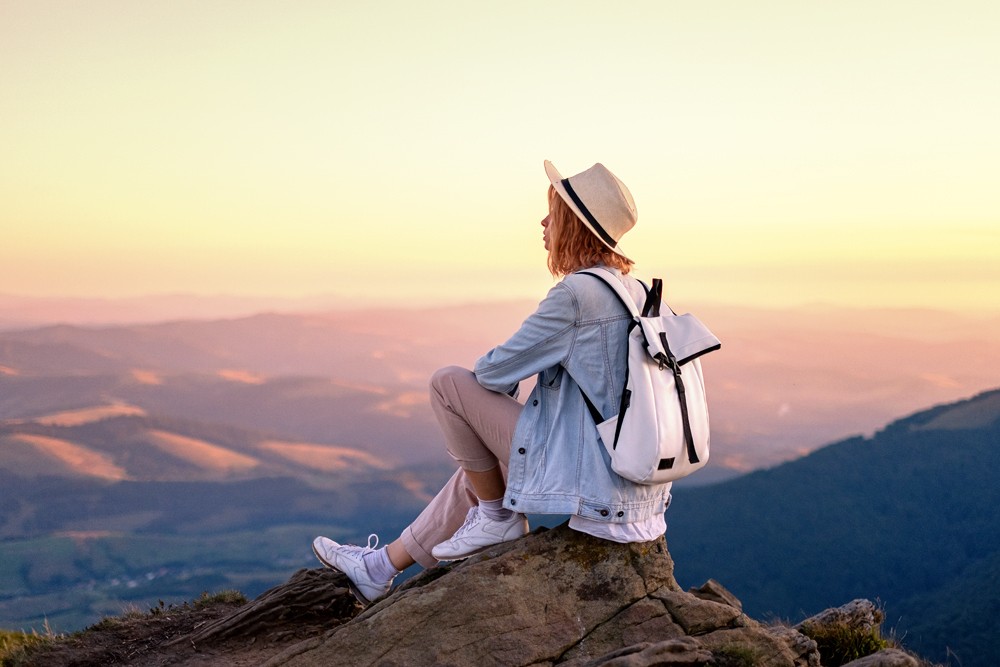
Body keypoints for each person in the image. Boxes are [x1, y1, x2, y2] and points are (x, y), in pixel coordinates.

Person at [312, 160, 672, 606]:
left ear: (572, 225)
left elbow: (490, 373)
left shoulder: (578, 294)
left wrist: (496, 401)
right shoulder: (636, 292)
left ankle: (496, 517)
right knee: (489, 468)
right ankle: (379, 567)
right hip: (634, 484)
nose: (542, 222)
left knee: (448, 384)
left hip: (596, 484)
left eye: (552, 213)